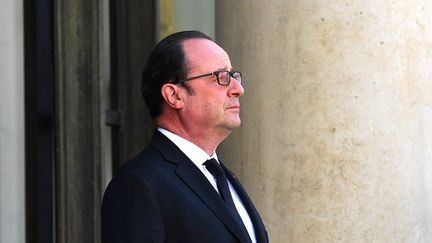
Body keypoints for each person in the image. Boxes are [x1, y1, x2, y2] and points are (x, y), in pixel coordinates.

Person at [101, 30, 268, 243]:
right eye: (221, 77)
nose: (238, 89)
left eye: (234, 76)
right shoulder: (138, 184)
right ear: (174, 95)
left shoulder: (224, 178)